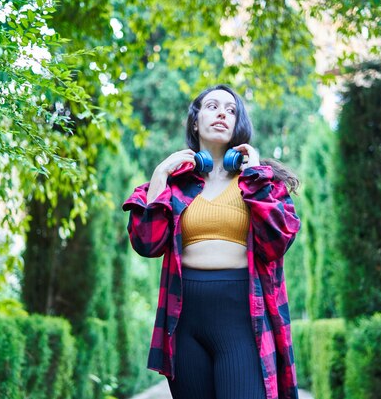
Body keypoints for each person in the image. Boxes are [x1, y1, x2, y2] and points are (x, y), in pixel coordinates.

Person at [122, 84, 301, 399]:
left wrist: (255, 173)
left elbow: (276, 243)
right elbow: (147, 244)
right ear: (195, 121)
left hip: (242, 317)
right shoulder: (174, 185)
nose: (222, 113)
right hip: (184, 319)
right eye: (212, 106)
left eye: (230, 110)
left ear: (237, 124)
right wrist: (161, 174)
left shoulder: (261, 181)